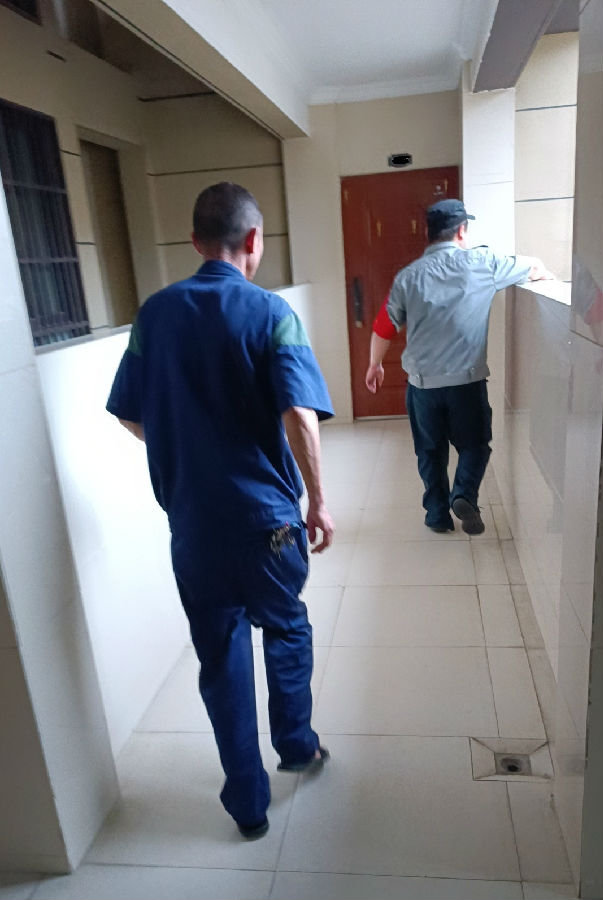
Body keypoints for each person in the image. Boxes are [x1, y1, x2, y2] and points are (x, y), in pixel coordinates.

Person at [106, 182, 334, 840]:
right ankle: (297, 746)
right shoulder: (271, 313)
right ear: (254, 239)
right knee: (285, 628)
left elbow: (129, 413)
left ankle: (247, 803)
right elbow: (299, 415)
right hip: (268, 523)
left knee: (220, 653)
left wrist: (188, 450)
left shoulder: (154, 316)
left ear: (195, 241)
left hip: (194, 527)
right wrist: (319, 501)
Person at [365, 198, 552, 535]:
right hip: (466, 383)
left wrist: (374, 365)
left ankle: (437, 516)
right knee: (475, 445)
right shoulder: (484, 263)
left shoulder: (407, 277)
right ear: (462, 230)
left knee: (429, 453)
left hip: (422, 386)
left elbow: (384, 327)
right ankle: (464, 493)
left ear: (428, 233)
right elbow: (535, 267)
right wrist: (547, 276)